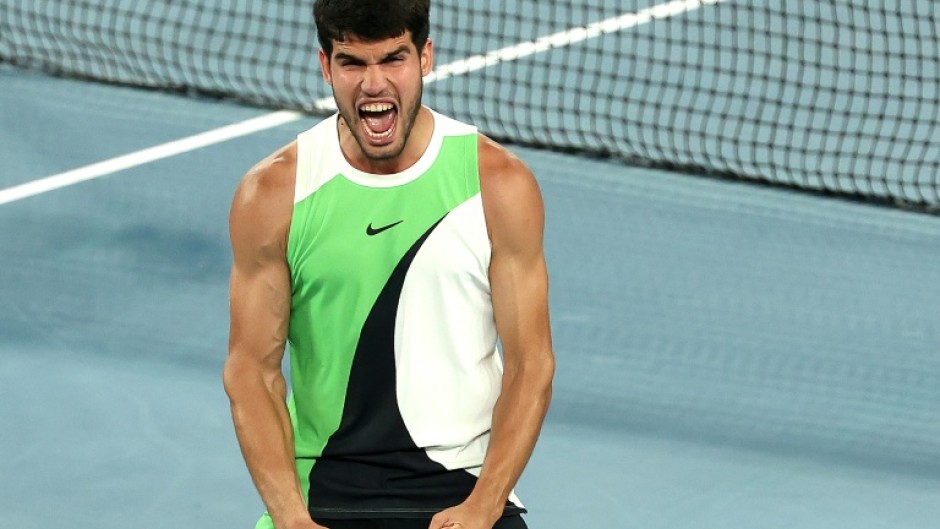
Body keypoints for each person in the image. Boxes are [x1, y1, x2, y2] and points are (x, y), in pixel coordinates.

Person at [223, 1, 554, 528]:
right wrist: (289, 517)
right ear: (326, 66)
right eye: (353, 63)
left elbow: (531, 365)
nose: (373, 84)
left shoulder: (498, 185)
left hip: (461, 487)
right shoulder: (273, 195)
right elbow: (251, 372)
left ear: (425, 57)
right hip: (323, 494)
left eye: (392, 60)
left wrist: (484, 506)